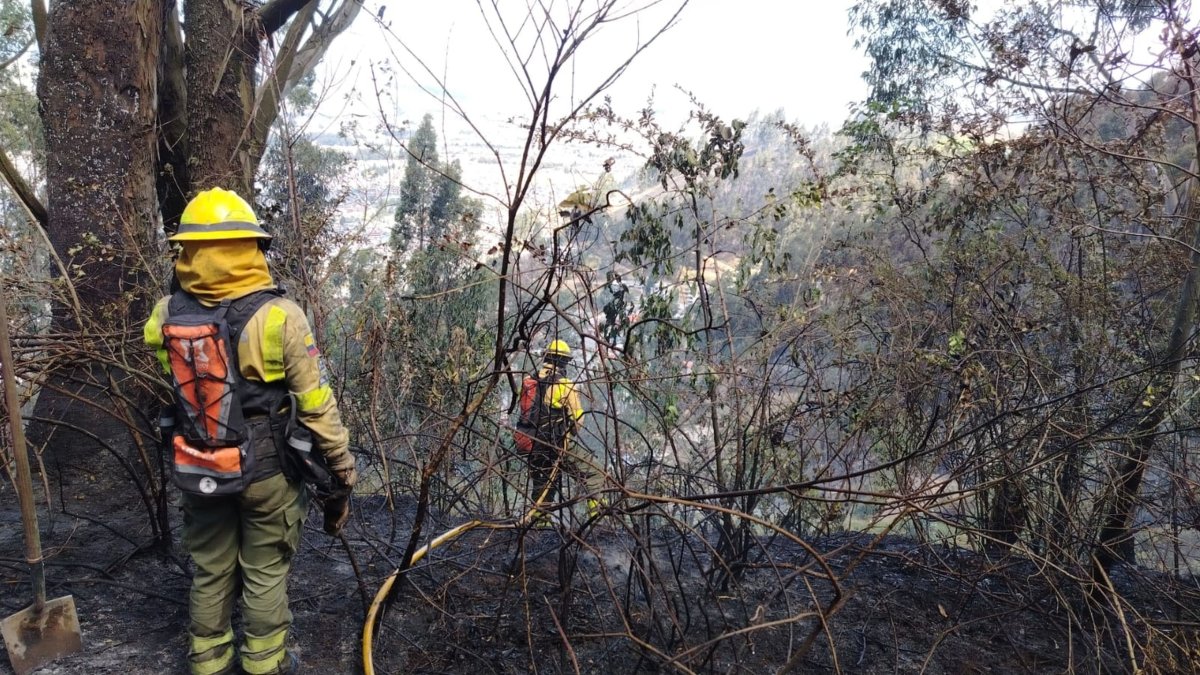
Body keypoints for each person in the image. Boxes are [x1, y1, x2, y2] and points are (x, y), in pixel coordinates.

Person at [144, 188, 357, 675]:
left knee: (211, 567)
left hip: (197, 461)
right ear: (252, 249)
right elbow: (316, 403)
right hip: (268, 471)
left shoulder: (164, 317)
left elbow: (175, 386)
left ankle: (207, 660)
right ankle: (265, 664)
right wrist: (340, 463)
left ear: (188, 252)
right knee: (264, 571)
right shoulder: (280, 316)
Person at [515, 340, 589, 516]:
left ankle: (538, 524)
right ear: (563, 362)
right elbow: (577, 423)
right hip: (553, 445)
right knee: (594, 474)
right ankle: (597, 518)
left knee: (542, 484)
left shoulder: (527, 382)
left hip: (529, 444)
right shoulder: (565, 386)